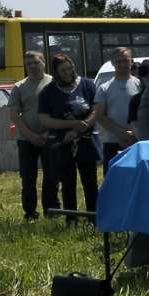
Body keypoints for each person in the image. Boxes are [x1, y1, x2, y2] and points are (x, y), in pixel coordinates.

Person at [38, 52, 102, 213]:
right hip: (62, 142)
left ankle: (93, 216)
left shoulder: (87, 85)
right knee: (68, 183)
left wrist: (85, 124)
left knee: (90, 183)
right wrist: (71, 125)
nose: (67, 73)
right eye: (63, 70)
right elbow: (44, 119)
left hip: (87, 140)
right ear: (56, 73)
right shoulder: (48, 92)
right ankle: (71, 218)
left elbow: (97, 109)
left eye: (69, 69)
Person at [7, 49, 54, 220]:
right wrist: (30, 135)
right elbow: (14, 115)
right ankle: (30, 213)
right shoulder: (19, 86)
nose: (32, 66)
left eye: (36, 62)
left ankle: (52, 210)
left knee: (51, 176)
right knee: (28, 178)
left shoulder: (53, 83)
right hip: (26, 140)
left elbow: (60, 111)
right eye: (29, 64)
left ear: (43, 63)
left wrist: (48, 133)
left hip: (51, 137)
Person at [91, 47, 141, 172]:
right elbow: (100, 116)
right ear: (113, 63)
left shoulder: (140, 85)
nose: (123, 64)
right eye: (119, 61)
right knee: (112, 180)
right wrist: (123, 134)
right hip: (112, 143)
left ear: (131, 61)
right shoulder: (104, 88)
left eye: (126, 61)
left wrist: (134, 135)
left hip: (136, 141)